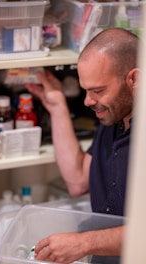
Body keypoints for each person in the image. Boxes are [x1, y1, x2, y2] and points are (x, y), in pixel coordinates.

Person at [26, 28, 139, 264]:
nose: (88, 101)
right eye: (86, 90)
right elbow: (78, 179)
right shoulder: (114, 118)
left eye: (98, 91)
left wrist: (83, 243)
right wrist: (57, 107)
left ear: (134, 79)